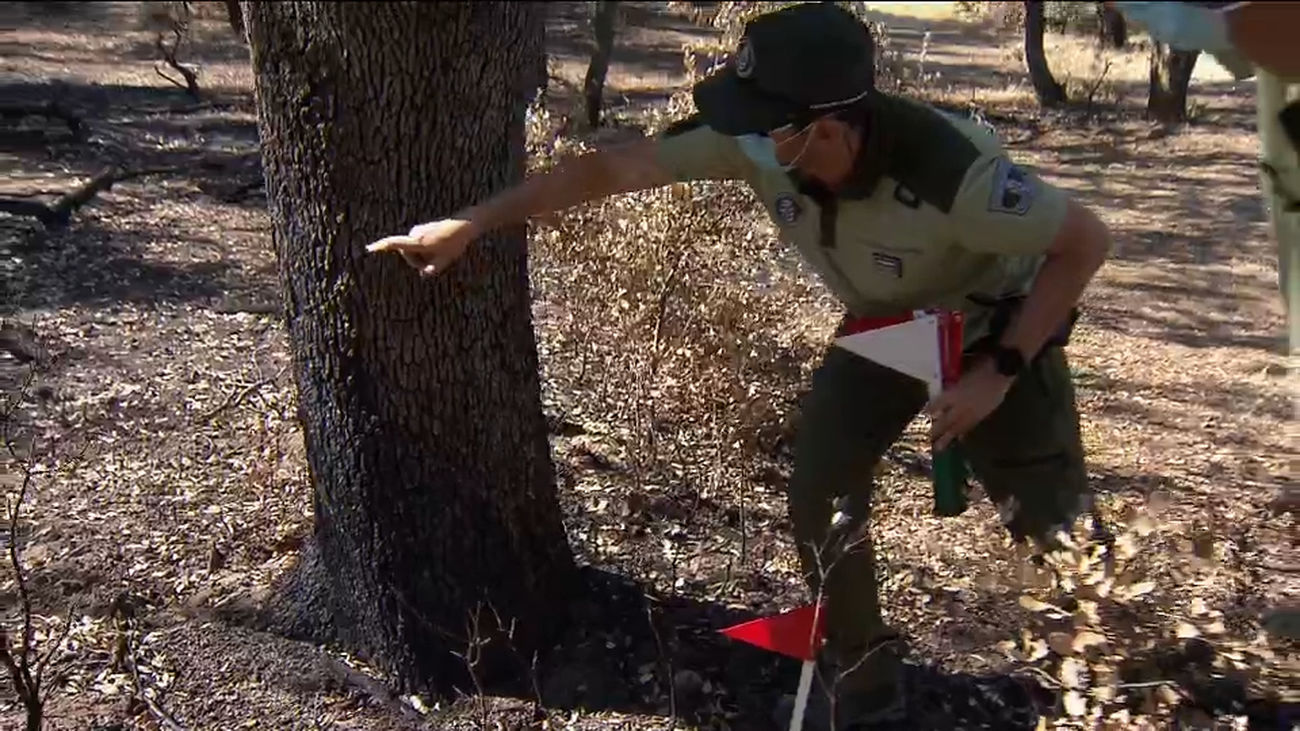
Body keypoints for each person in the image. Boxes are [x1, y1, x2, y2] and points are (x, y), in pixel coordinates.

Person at [367, 3, 1112, 728]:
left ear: (822, 125)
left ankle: (1113, 681)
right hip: (889, 323)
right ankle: (864, 681)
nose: (740, 132)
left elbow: (1084, 242)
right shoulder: (755, 140)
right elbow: (611, 169)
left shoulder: (954, 172)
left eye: (760, 116)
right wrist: (474, 222)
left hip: (997, 323)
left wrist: (1003, 367)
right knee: (820, 490)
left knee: (1056, 527)